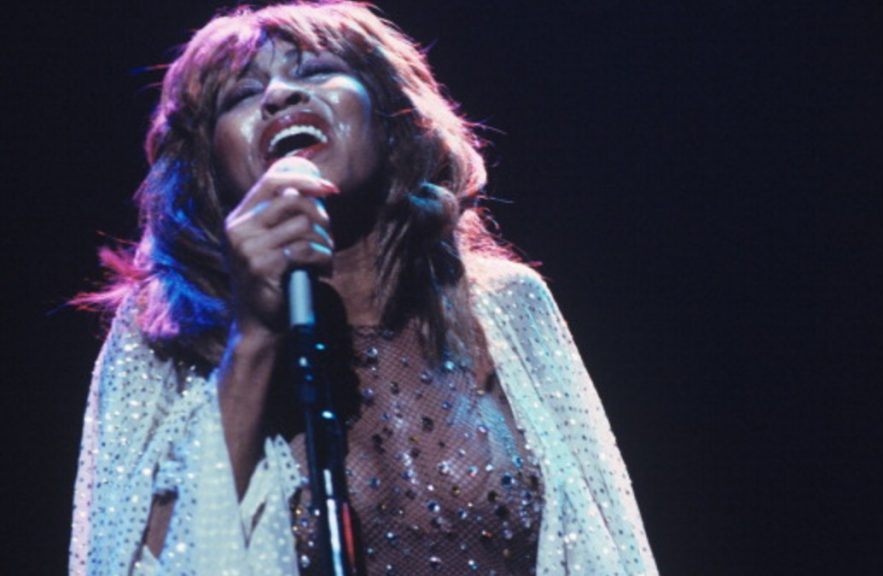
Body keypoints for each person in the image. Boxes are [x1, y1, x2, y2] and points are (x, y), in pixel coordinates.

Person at [70, 2, 658, 574]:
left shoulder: (505, 306)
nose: (279, 95)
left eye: (316, 71)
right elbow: (138, 561)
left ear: (391, 118)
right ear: (210, 167)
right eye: (242, 95)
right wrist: (253, 339)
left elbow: (606, 545)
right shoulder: (162, 333)